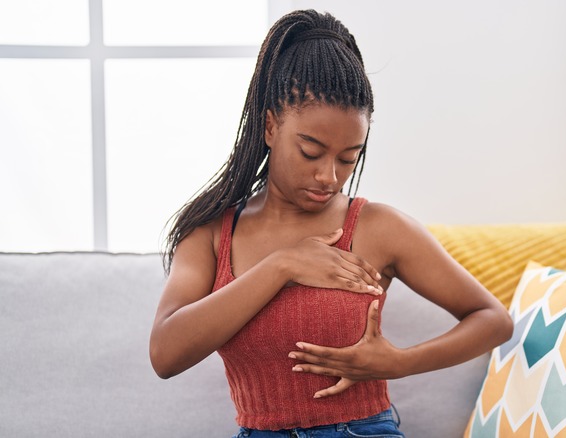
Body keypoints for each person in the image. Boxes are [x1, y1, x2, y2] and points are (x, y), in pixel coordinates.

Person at [149, 9, 513, 437]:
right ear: (270, 126)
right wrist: (283, 265)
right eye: (310, 151)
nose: (330, 176)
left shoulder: (377, 227)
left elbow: (493, 319)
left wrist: (398, 362)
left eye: (348, 157)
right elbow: (165, 354)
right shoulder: (212, 235)